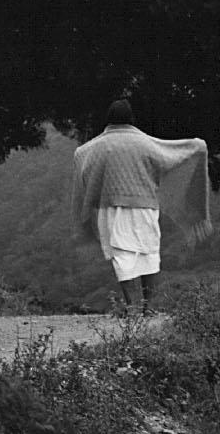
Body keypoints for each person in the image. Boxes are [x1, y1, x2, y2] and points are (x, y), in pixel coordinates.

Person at [70, 98, 211, 313]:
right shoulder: (146, 143)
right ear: (131, 119)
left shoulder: (95, 147)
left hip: (112, 208)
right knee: (149, 254)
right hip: (146, 207)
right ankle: (148, 307)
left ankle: (131, 306)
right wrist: (198, 145)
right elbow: (173, 154)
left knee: (122, 256)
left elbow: (80, 156)